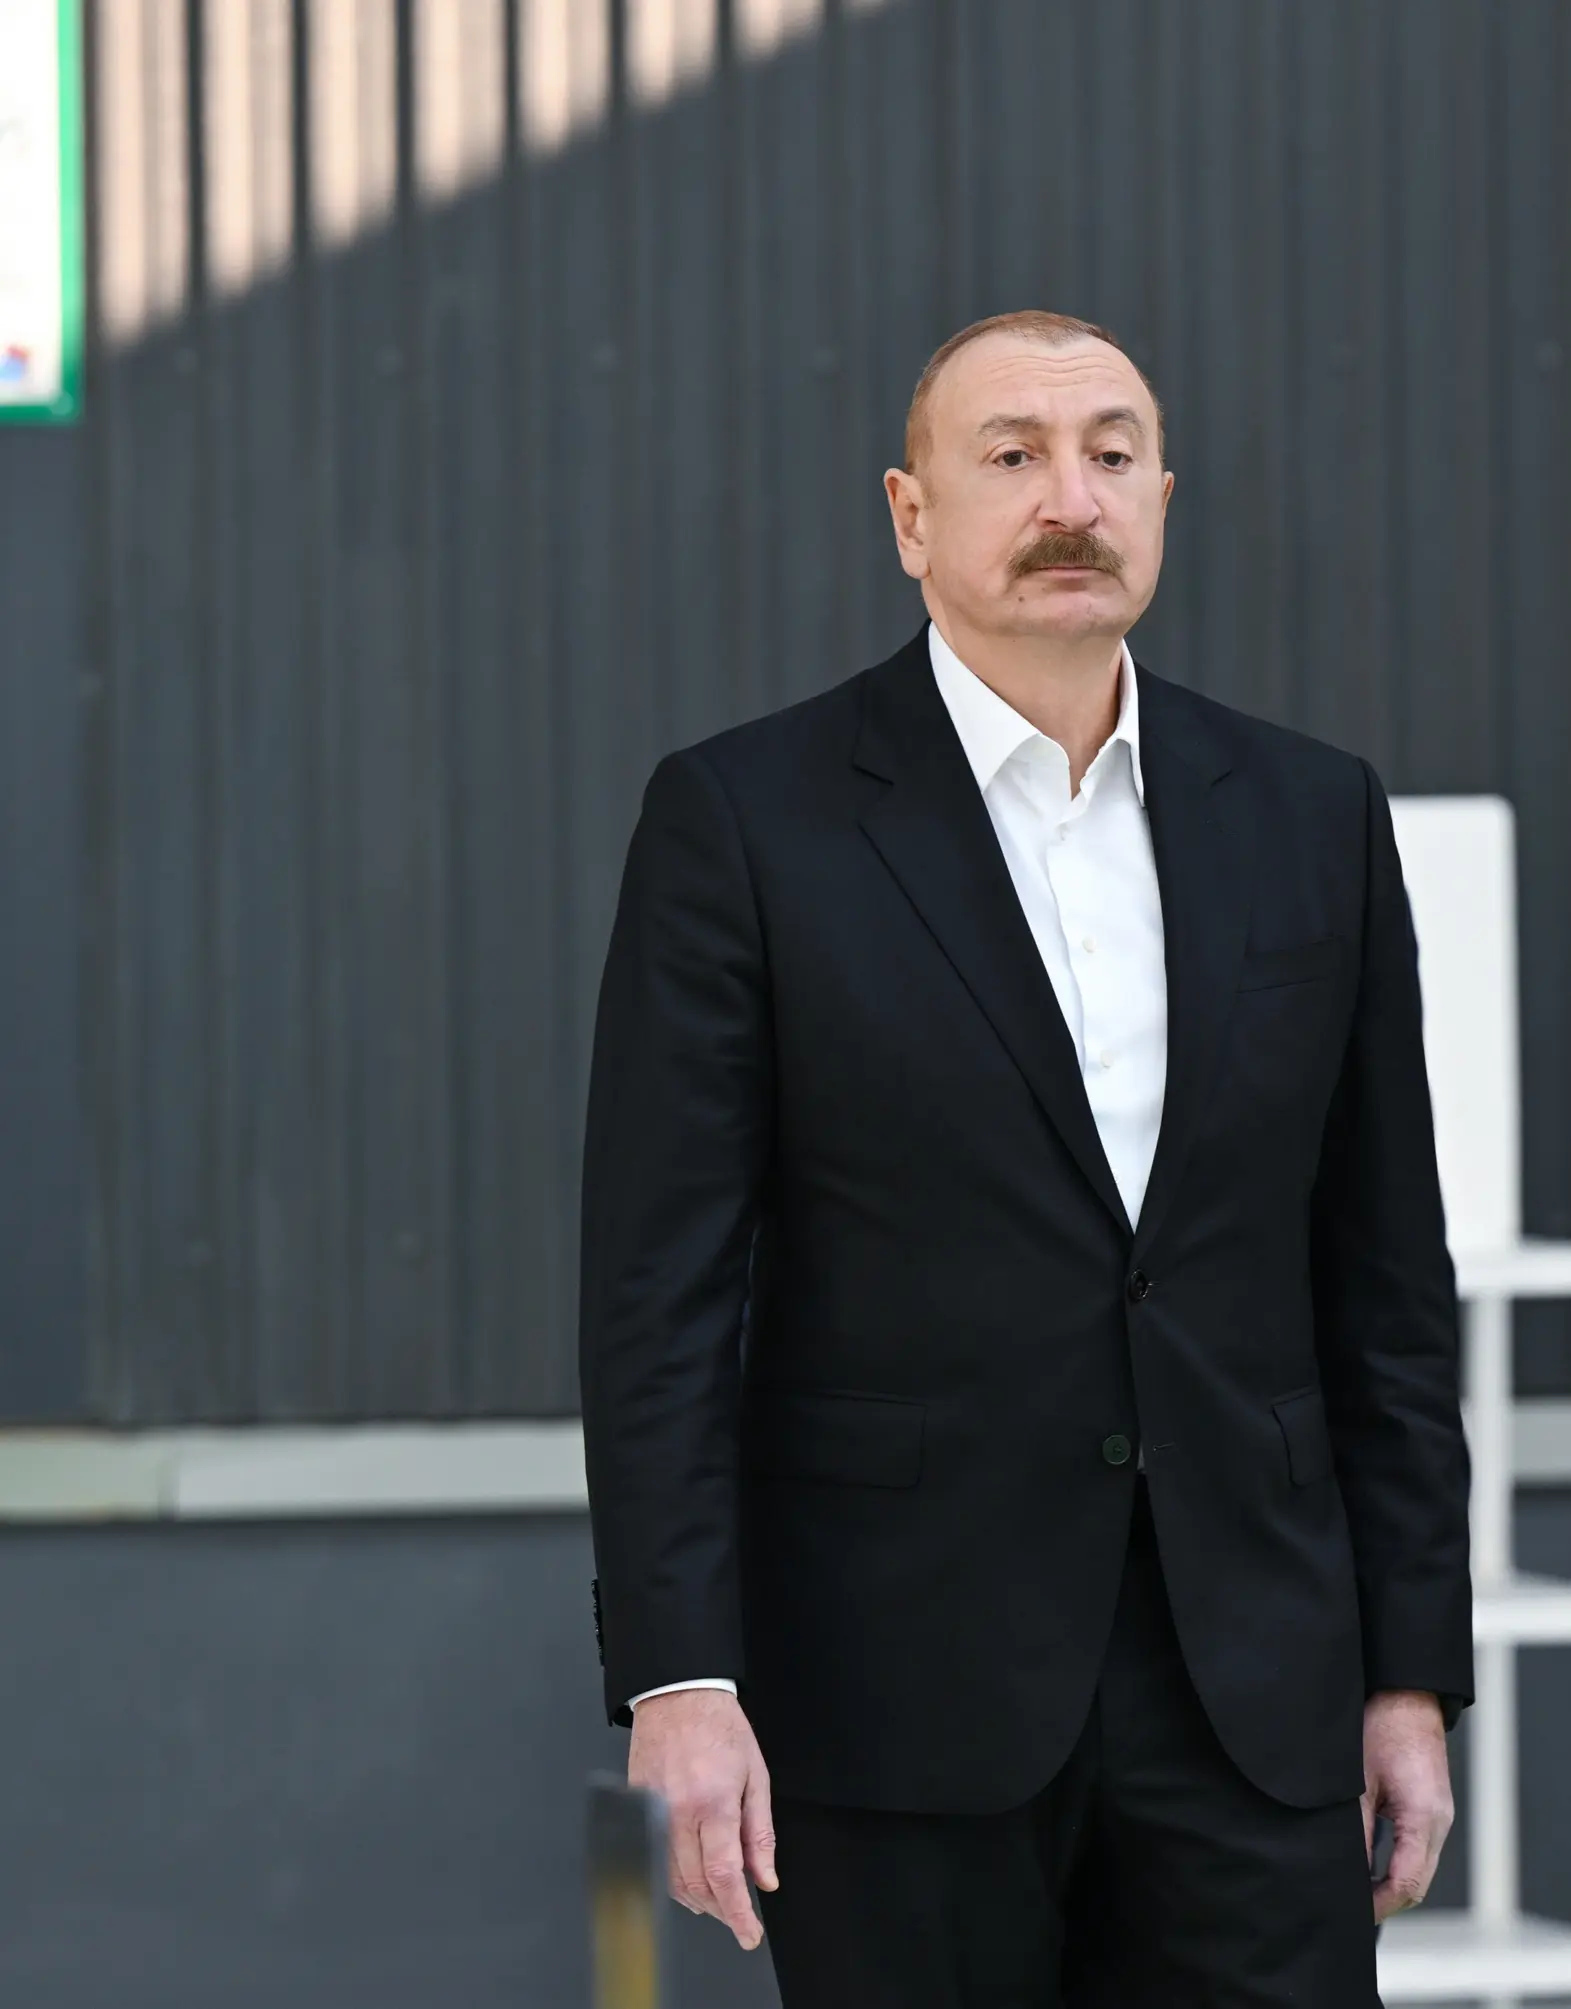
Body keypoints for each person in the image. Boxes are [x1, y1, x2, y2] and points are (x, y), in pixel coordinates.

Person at [579, 310, 1470, 2006]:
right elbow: (659, 1299)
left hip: (1253, 1691)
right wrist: (681, 1677)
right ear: (911, 516)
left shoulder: (1313, 815)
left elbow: (1384, 1282)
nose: (1073, 498)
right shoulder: (747, 822)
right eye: (1015, 456)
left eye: (1113, 454)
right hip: (896, 1690)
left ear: (1163, 499)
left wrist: (1410, 1674)